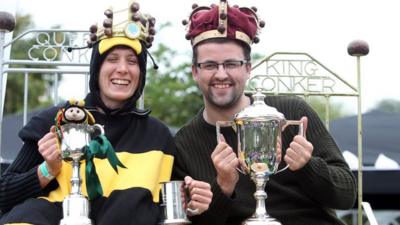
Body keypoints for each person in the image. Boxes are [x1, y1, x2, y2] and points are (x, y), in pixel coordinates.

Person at [0, 2, 211, 225]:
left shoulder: (158, 137)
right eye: (112, 59)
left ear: (141, 73)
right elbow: (3, 195)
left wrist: (193, 202)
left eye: (132, 61)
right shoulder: (58, 121)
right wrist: (46, 170)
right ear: (97, 69)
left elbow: (171, 208)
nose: (122, 69)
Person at [173, 1, 357, 225]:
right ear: (195, 71)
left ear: (248, 68)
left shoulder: (292, 114)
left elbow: (347, 196)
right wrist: (223, 186)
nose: (221, 74)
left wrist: (308, 167)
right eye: (210, 65)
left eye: (231, 64)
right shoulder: (184, 144)